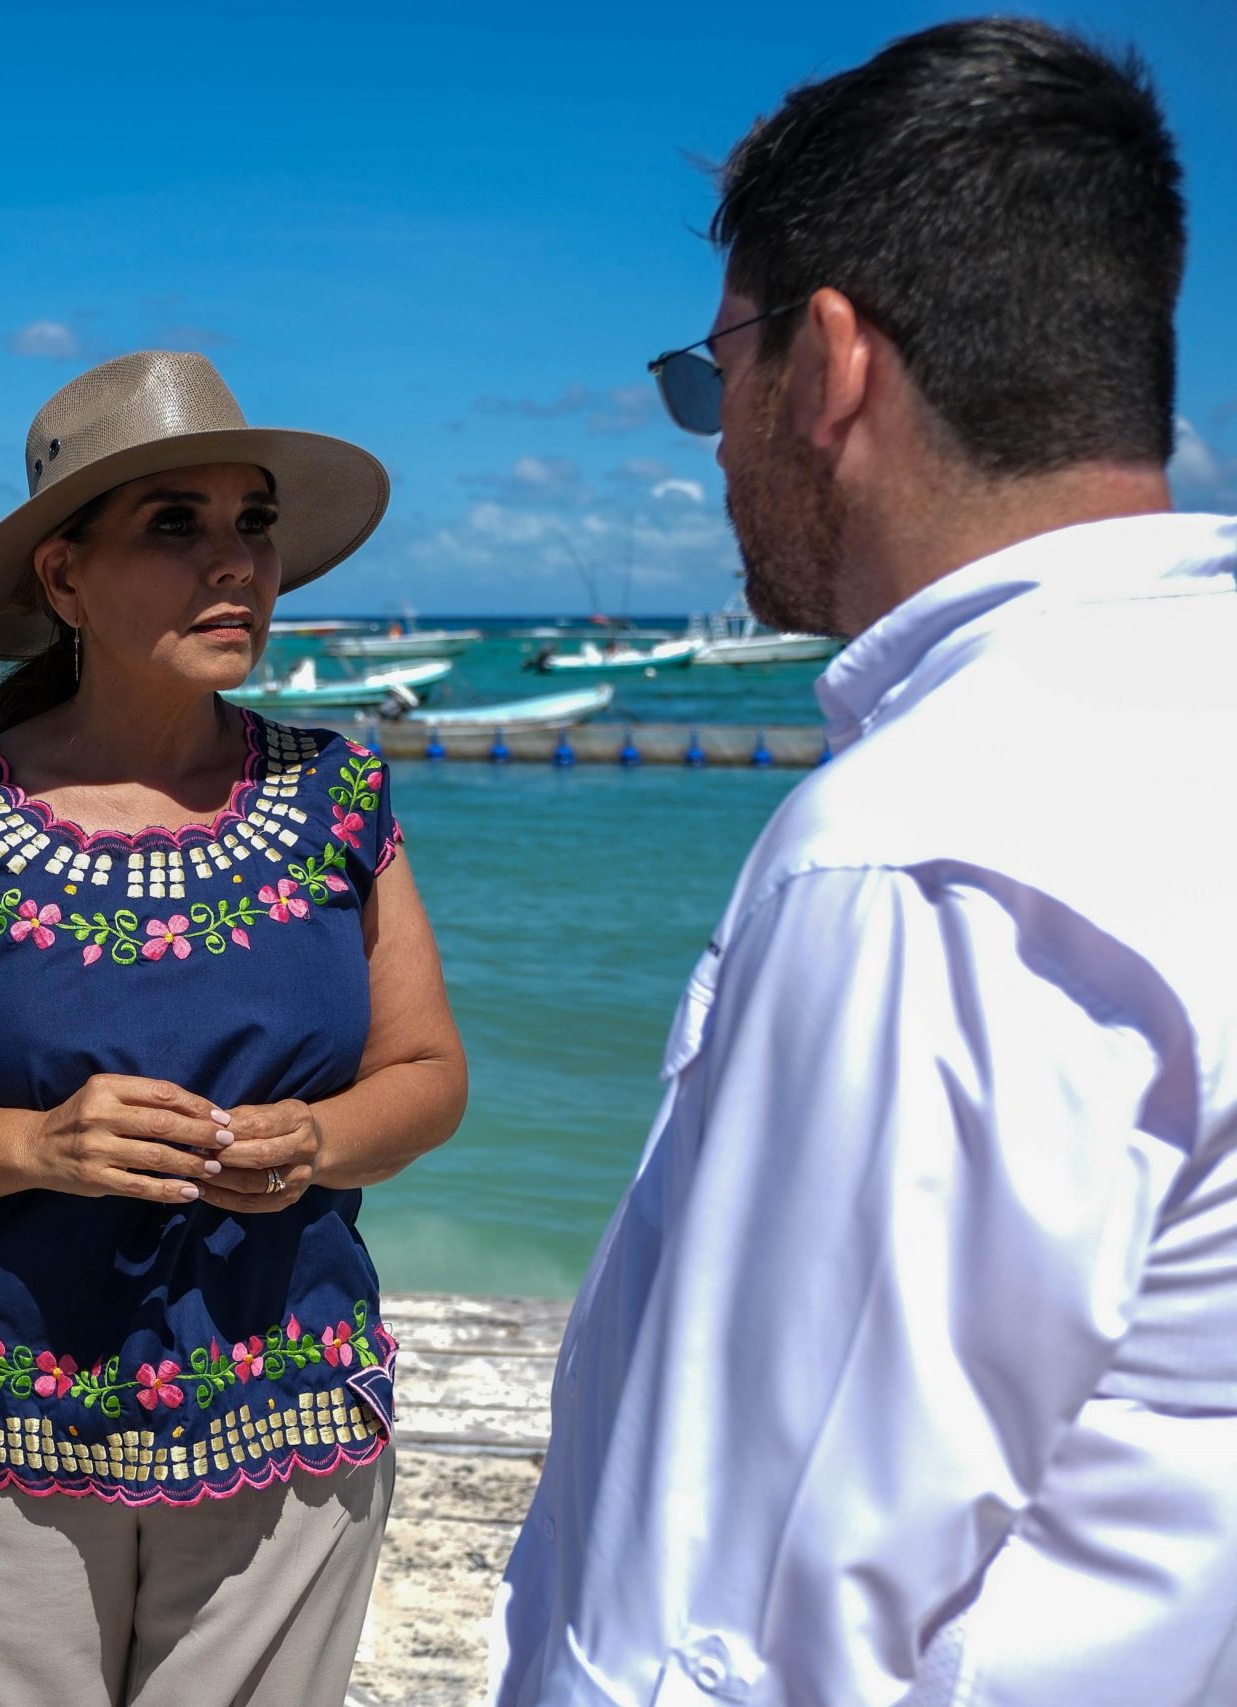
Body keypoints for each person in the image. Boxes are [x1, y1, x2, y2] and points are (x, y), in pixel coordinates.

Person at [494, 20, 1237, 1705]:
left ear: (828, 361)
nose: (712, 441)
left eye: (711, 376)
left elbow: (725, 1645)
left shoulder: (919, 859)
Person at [0, 350, 468, 1706]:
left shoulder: (339, 796)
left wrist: (318, 1139)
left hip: (291, 1409)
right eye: (176, 525)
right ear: (64, 578)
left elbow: (427, 1074)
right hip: (0, 1425)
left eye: (253, 524)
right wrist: (38, 1146)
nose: (235, 564)